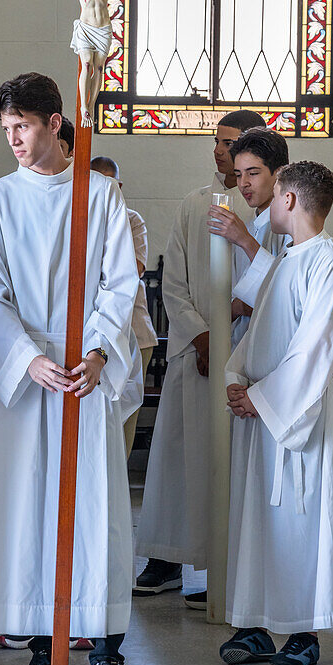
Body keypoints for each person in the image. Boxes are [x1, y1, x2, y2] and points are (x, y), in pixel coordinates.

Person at [0, 73, 145, 665]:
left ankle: (108, 651)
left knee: (94, 511)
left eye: (23, 127)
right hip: (26, 376)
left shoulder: (102, 194)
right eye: (6, 129)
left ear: (55, 123)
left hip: (84, 375)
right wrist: (26, 359)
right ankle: (43, 641)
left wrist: (95, 352)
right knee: (28, 510)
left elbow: (121, 283)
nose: (13, 139)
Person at [220, 162, 333, 665]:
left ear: (291, 201)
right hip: (265, 410)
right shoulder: (287, 257)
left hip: (301, 415)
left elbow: (318, 346)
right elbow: (263, 330)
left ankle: (303, 633)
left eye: (274, 189)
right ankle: (256, 626)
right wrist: (240, 381)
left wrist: (263, 397)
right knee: (260, 520)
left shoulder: (327, 260)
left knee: (300, 521)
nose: (267, 198)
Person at [134, 110, 265, 608]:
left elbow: (267, 281)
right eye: (216, 142)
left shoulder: (263, 210)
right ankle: (166, 557)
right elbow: (174, 284)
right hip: (197, 352)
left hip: (245, 350)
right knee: (178, 455)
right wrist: (203, 334)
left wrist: (230, 334)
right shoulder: (194, 205)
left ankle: (223, 566)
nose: (219, 151)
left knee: (228, 462)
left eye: (229, 142)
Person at [18, 0, 163, 126]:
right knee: (86, 63)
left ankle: (92, 103)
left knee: (99, 68)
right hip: (86, 28)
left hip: (103, 28)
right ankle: (83, 107)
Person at [90, 155, 158, 455]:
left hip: (134, 330)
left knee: (125, 410)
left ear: (119, 185)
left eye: (110, 183)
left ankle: (118, 478)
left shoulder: (131, 219)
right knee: (93, 410)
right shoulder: (77, 216)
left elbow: (136, 268)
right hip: (91, 329)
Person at [207, 127, 290, 348]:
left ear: (279, 173)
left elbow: (290, 294)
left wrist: (244, 240)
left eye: (252, 173)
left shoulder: (292, 225)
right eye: (238, 174)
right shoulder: (252, 224)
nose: (243, 183)